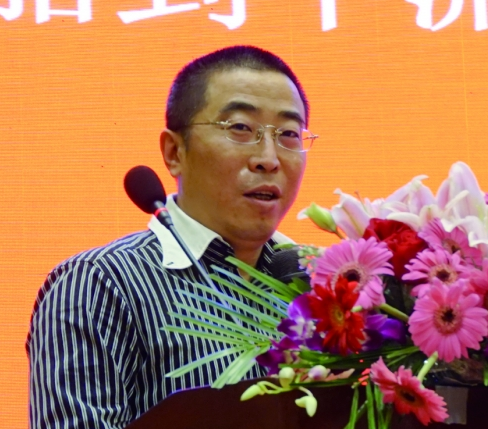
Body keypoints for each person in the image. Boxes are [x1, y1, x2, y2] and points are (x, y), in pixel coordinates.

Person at [27, 45, 316, 429]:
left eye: (289, 134)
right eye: (240, 129)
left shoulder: (326, 284)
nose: (268, 158)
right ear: (175, 152)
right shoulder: (99, 285)